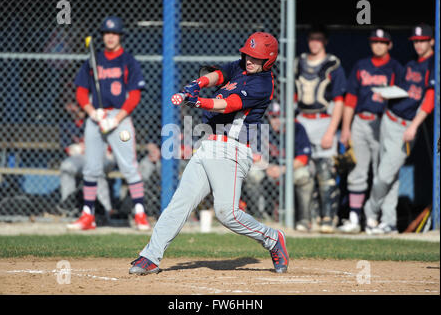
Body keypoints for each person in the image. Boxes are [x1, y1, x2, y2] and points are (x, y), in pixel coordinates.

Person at [129, 32, 289, 275]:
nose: (249, 60)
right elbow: (219, 74)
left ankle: (272, 239)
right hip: (209, 145)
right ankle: (150, 256)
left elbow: (230, 104)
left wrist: (198, 102)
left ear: (268, 61)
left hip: (232, 150)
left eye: (256, 58)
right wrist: (198, 83)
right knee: (180, 203)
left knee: (228, 214)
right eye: (248, 54)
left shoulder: (262, 83)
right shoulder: (241, 68)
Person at [67, 16, 150, 231]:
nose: (110, 37)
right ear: (102, 36)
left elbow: (134, 95)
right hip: (97, 117)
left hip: (118, 119)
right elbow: (81, 91)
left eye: (114, 33)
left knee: (129, 167)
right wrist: (92, 113)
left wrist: (116, 118)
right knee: (91, 168)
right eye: (107, 33)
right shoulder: (93, 61)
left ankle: (140, 213)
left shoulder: (128, 61)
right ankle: (88, 216)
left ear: (120, 36)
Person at [363, 23, 435, 234]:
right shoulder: (412, 64)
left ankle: (370, 213)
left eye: (423, 41)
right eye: (416, 42)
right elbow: (404, 90)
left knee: (384, 175)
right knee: (390, 176)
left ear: (431, 41)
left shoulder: (433, 64)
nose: (419, 45)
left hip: (406, 126)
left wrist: (414, 126)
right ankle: (389, 222)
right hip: (390, 118)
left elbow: (429, 99)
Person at [338, 28, 404, 234]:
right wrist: (346, 128)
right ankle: (355, 218)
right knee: (357, 171)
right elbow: (350, 99)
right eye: (375, 41)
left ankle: (380, 220)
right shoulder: (361, 65)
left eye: (382, 42)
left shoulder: (396, 68)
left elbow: (403, 100)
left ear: (389, 45)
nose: (378, 45)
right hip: (361, 121)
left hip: (383, 122)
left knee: (382, 173)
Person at [294, 25, 347, 233]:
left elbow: (339, 100)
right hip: (302, 121)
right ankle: (307, 219)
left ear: (325, 41)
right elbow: (292, 95)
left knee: (325, 173)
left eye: (319, 39)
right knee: (304, 173)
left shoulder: (333, 64)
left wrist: (331, 130)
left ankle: (328, 218)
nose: (314, 42)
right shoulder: (298, 63)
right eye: (311, 38)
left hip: (324, 120)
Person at [59, 101, 115, 217]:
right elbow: (69, 149)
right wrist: (79, 148)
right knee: (66, 167)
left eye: (77, 106)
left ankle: (106, 210)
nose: (74, 109)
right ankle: (68, 206)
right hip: (82, 156)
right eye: (71, 105)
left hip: (104, 155)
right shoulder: (66, 122)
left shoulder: (98, 118)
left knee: (95, 168)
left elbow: (110, 144)